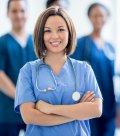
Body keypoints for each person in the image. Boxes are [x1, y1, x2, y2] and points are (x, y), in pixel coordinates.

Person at [14, 6, 103, 136]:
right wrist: (78, 113)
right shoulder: (28, 71)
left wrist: (50, 109)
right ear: (40, 35)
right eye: (47, 31)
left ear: (69, 33)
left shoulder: (84, 69)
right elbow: (29, 116)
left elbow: (96, 109)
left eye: (61, 29)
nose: (55, 36)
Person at [70, 3, 116, 136]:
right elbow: (74, 73)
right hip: (89, 103)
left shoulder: (110, 47)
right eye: (94, 16)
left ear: (106, 18)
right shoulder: (81, 44)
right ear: (89, 18)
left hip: (109, 104)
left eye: (101, 15)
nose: (98, 19)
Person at [0, 0, 37, 135]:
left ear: (27, 13)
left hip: (34, 111)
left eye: (22, 10)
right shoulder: (2, 42)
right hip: (7, 112)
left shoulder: (36, 42)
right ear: (8, 14)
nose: (18, 15)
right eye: (14, 11)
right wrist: (21, 97)